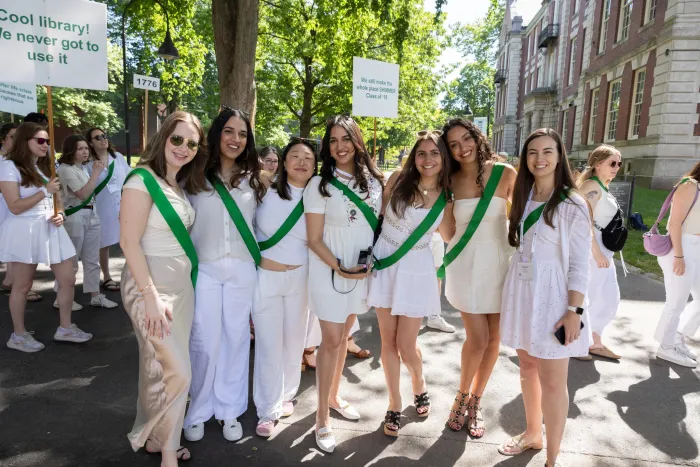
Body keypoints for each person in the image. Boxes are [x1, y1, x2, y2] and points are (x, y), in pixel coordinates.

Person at [497, 128, 591, 467]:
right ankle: (532, 433)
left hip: (555, 298)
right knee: (526, 367)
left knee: (553, 381)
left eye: (548, 151)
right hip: (524, 293)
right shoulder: (524, 194)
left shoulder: (572, 203)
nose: (540, 158)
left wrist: (574, 310)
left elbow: (581, 263)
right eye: (533, 152)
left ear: (559, 156)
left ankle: (553, 458)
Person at [120, 111, 208, 466]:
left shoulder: (177, 185)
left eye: (191, 143)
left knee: (158, 368)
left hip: (180, 288)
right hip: (151, 287)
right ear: (163, 138)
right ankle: (168, 454)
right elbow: (128, 241)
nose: (183, 147)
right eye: (177, 139)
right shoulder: (141, 179)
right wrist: (150, 296)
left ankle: (158, 439)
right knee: (179, 372)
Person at [183, 107, 266, 443]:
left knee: (236, 338)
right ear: (217, 134)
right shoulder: (193, 174)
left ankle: (229, 409)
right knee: (204, 340)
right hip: (204, 268)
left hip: (242, 270)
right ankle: (198, 409)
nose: (236, 139)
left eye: (243, 134)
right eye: (229, 131)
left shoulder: (255, 178)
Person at [304, 115, 383, 453]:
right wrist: (340, 267)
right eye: (333, 140)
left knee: (345, 335)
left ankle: (334, 396)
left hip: (360, 270)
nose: (339, 146)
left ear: (357, 140)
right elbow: (314, 239)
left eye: (345, 138)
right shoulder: (318, 185)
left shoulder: (375, 183)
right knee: (332, 340)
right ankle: (321, 418)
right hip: (330, 269)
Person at [367, 130, 452, 437]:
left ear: (444, 159)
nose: (427, 159)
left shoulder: (447, 197)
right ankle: (394, 401)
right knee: (387, 341)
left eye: (434, 153)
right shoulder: (396, 181)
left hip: (417, 269)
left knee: (406, 343)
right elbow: (375, 215)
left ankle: (419, 381)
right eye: (421, 153)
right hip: (386, 263)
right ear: (413, 157)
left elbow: (452, 235)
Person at [442, 118, 516, 438]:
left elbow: (524, 214)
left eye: (466, 139)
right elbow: (447, 233)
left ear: (477, 136)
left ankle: (476, 400)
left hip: (500, 262)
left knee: (494, 339)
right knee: (478, 339)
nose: (462, 148)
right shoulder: (450, 181)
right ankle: (461, 396)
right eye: (453, 145)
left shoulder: (505, 173)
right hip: (466, 265)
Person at [0, 122, 92, 352]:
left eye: (47, 141)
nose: (46, 145)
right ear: (25, 141)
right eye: (40, 140)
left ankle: (65, 327)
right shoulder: (9, 166)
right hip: (24, 228)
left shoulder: (42, 167)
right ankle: (18, 334)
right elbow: (14, 206)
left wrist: (59, 214)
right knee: (22, 285)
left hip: (50, 226)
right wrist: (44, 191)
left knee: (68, 277)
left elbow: (56, 200)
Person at [252, 137, 316, 437]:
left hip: (301, 279)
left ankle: (287, 394)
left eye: (307, 157)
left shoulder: (320, 196)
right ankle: (267, 409)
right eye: (294, 156)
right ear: (283, 160)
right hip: (266, 277)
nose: (301, 161)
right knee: (267, 344)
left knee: (294, 342)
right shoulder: (263, 190)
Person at [56, 135, 117, 309]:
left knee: (91, 259)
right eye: (80, 148)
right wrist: (96, 174)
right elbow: (82, 194)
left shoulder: (82, 168)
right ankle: (61, 297)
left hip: (92, 214)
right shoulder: (66, 169)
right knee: (71, 261)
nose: (85, 151)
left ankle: (95, 295)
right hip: (75, 215)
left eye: (85, 148)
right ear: (71, 150)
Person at [576, 145, 623, 361]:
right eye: (612, 163)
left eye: (619, 163)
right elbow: (582, 221)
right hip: (591, 250)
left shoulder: (602, 187)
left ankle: (594, 341)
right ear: (597, 164)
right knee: (587, 296)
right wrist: (596, 252)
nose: (617, 167)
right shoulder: (590, 186)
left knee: (608, 297)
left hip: (604, 250)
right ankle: (577, 342)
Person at [654, 161, 700, 368]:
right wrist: (679, 256)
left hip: (696, 247)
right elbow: (675, 223)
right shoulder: (689, 185)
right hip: (681, 247)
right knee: (676, 301)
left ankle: (677, 336)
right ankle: (666, 347)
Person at [0, 122, 43, 302]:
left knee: (15, 247)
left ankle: (15, 281)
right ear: (3, 139)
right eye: (12, 137)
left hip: (18, 209)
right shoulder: (5, 163)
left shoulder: (23, 163)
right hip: (6, 205)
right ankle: (18, 283)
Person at [85, 127, 131, 293]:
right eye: (97, 137)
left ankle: (133, 275)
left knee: (129, 240)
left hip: (122, 205)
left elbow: (129, 176)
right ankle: (106, 276)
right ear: (91, 142)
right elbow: (86, 186)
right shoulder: (89, 163)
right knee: (102, 243)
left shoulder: (117, 157)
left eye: (104, 135)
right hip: (102, 206)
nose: (103, 139)